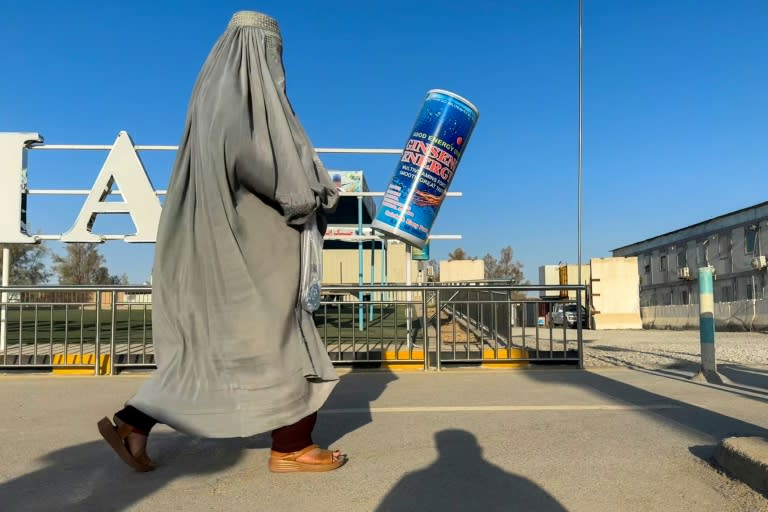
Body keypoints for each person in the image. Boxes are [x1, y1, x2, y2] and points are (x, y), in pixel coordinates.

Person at [97, 10, 345, 473]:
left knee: (214, 350)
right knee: (287, 346)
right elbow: (279, 182)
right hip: (256, 255)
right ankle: (291, 448)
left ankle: (133, 422)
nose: (277, 64)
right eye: (273, 52)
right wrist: (319, 193)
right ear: (258, 53)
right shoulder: (246, 107)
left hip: (215, 249)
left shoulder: (210, 99)